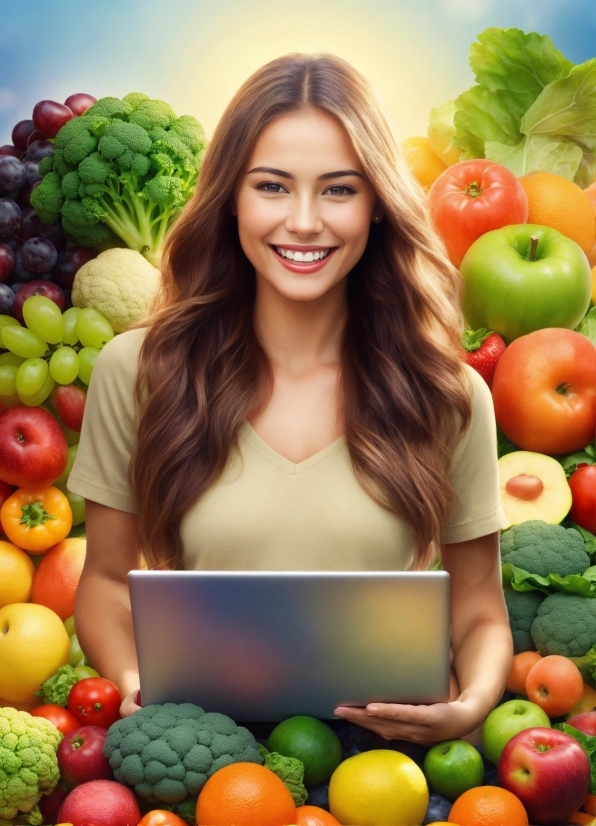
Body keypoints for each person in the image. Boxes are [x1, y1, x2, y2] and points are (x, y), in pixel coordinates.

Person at [69, 52, 513, 744]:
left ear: (377, 207)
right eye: (272, 187)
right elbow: (101, 582)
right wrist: (135, 685)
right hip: (203, 755)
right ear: (231, 199)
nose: (304, 222)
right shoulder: (138, 370)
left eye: (338, 190)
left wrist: (470, 704)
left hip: (389, 768)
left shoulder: (449, 395)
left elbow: (482, 606)